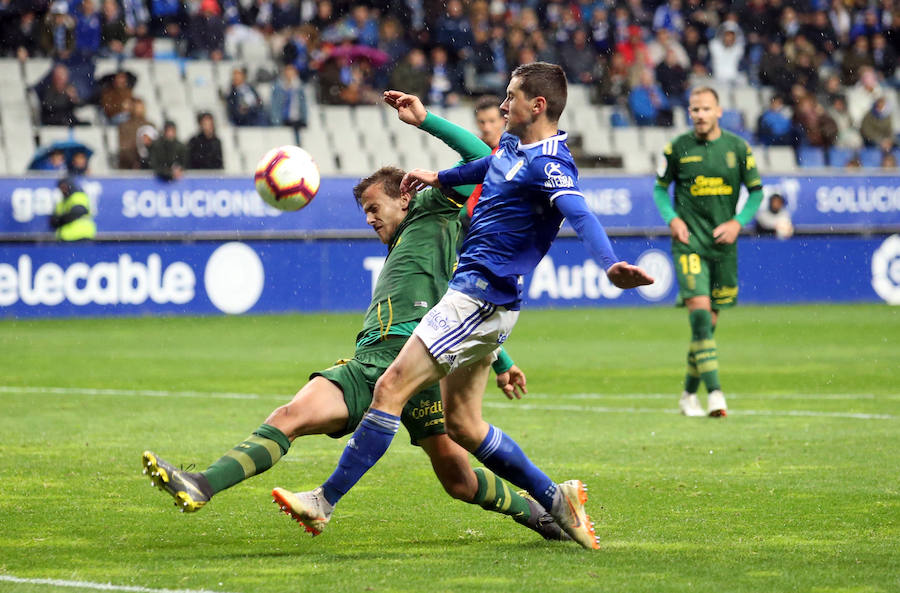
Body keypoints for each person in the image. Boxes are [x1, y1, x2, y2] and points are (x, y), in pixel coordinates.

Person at [141, 90, 569, 544]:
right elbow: (459, 303)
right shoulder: (410, 245)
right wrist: (502, 363)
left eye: (373, 207)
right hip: (421, 355)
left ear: (405, 198)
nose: (368, 219)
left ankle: (205, 484)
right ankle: (542, 515)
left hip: (388, 355)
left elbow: (482, 155)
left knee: (290, 415)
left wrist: (425, 120)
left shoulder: (434, 207)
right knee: (457, 477)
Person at [281, 62, 654, 551]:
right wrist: (439, 176)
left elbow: (579, 212)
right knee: (463, 424)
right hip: (486, 300)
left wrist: (609, 264)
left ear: (537, 105)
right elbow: (487, 164)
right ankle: (555, 498)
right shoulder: (517, 149)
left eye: (511, 97)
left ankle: (323, 501)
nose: (502, 106)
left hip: (478, 296)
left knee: (390, 387)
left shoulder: (551, 165)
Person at [653, 86, 763, 418]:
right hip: (689, 244)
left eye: (705, 109)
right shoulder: (677, 148)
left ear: (718, 111)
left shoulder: (738, 148)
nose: (699, 115)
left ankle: (688, 394)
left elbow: (756, 192)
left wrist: (738, 222)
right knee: (700, 315)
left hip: (723, 247)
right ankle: (716, 394)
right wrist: (672, 218)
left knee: (707, 326)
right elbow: (660, 189)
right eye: (694, 110)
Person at [50, 177, 96, 241]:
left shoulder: (78, 196)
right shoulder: (61, 203)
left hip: (82, 237)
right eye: (61, 188)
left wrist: (60, 219)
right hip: (65, 239)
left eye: (64, 187)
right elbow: (53, 221)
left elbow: (77, 212)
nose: (63, 190)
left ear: (70, 186)